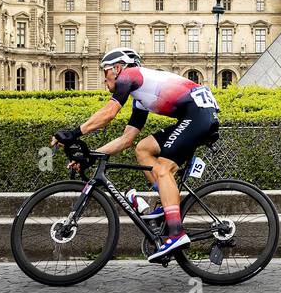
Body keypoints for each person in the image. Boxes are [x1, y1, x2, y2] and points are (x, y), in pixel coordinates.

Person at [53, 49, 220, 262]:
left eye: (106, 72)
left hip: (198, 116)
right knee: (143, 149)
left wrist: (72, 134)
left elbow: (109, 114)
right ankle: (166, 208)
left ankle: (176, 233)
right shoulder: (140, 97)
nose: (105, 79)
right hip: (197, 115)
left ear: (118, 67)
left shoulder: (130, 75)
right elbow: (126, 140)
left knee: (162, 169)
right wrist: (92, 155)